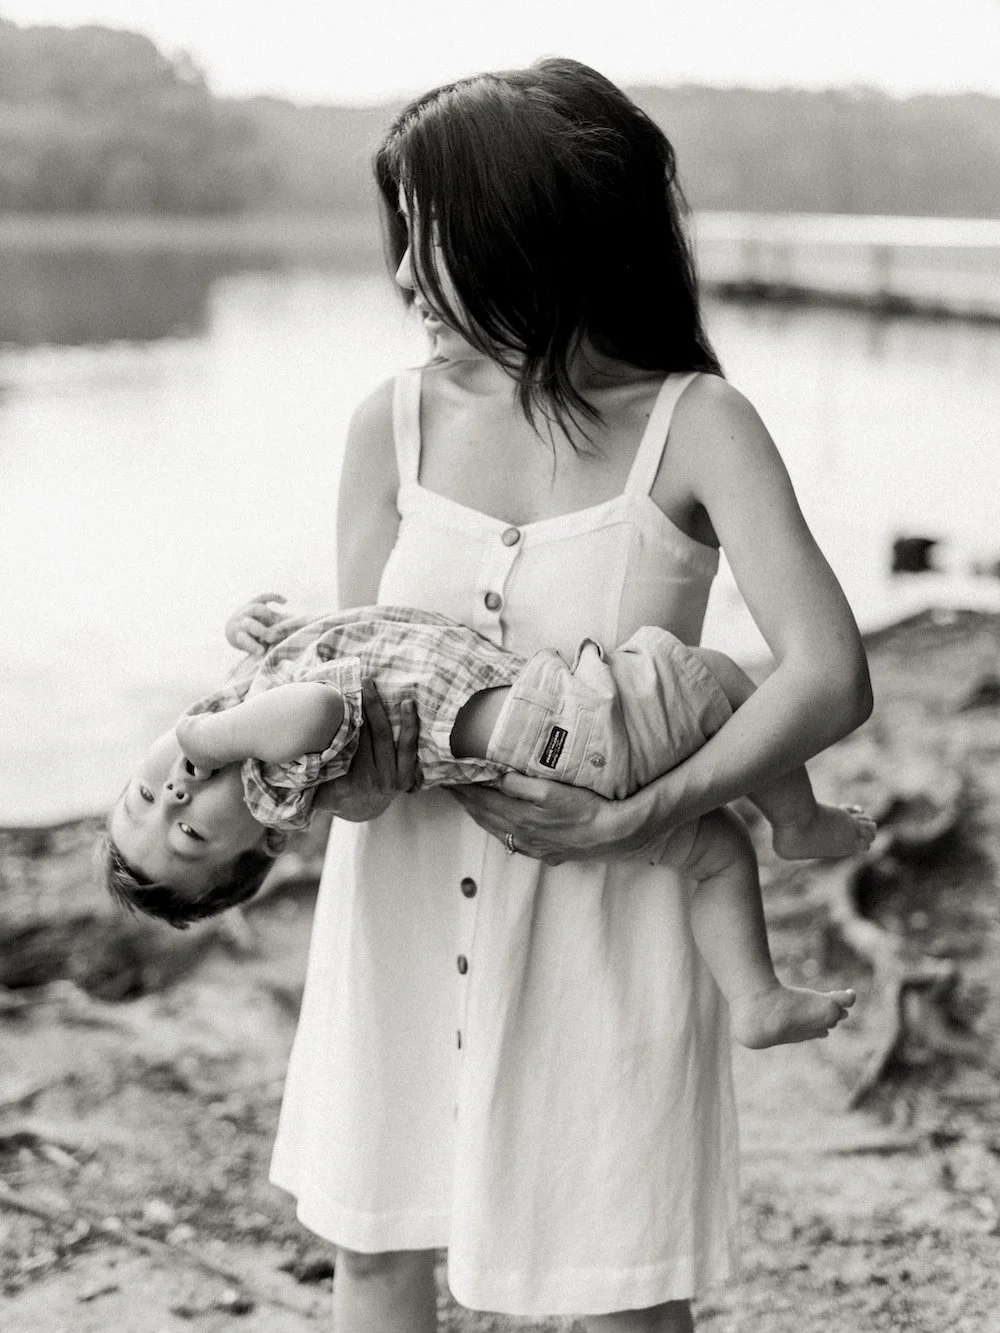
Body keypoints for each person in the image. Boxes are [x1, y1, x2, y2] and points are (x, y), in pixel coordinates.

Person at [268, 58, 874, 1333]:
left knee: (618, 1301)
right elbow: (366, 682)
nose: (403, 278)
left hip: (616, 926)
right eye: (398, 241)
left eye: (431, 239)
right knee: (374, 1253)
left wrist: (646, 814)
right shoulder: (388, 425)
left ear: (532, 230)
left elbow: (827, 673)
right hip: (397, 909)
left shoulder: (697, 422)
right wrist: (345, 780)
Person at [102, 596, 872, 1048]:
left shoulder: (245, 712)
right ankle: (799, 820)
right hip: (557, 726)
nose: (173, 797)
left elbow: (343, 648)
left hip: (540, 766)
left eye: (142, 795)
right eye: (190, 835)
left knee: (718, 851)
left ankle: (754, 995)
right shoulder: (268, 775)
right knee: (721, 677)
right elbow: (317, 708)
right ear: (269, 839)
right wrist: (207, 735)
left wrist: (260, 628)